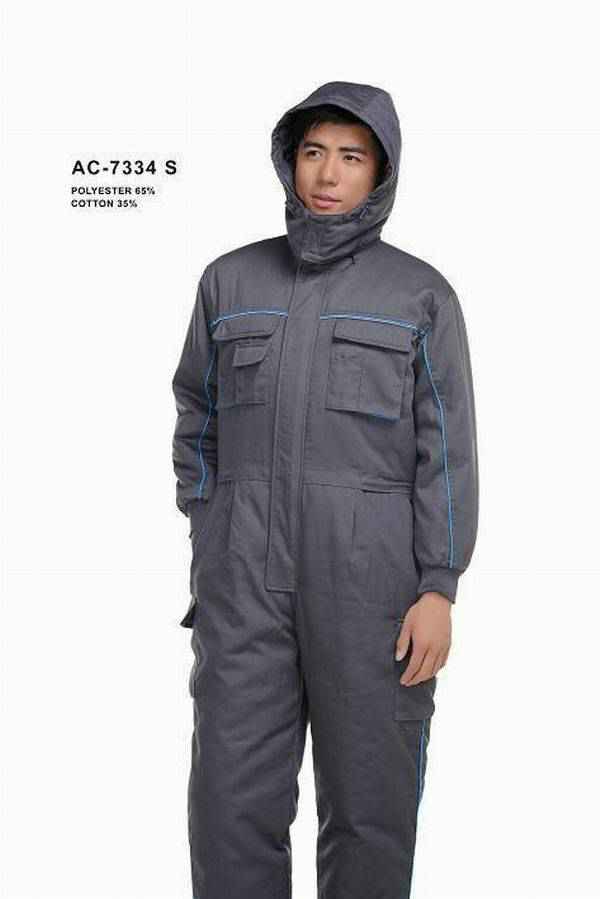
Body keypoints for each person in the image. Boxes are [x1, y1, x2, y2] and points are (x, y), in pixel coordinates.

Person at [171, 79, 479, 899]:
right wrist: (209, 522)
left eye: (351, 156)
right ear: (290, 161)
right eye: (313, 152)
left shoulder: (420, 296)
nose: (328, 174)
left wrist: (438, 586)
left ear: (379, 173)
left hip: (373, 590)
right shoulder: (229, 281)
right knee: (228, 801)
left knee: (370, 807)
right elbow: (197, 411)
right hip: (242, 580)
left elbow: (448, 451)